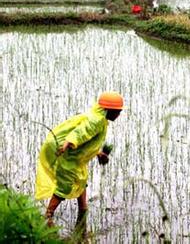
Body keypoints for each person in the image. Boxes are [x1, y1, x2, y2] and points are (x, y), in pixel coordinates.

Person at [35, 91, 125, 228]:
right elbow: (81, 132)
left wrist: (98, 153)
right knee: (65, 185)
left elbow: (87, 141)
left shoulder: (98, 118)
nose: (119, 115)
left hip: (71, 152)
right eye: (118, 111)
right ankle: (48, 215)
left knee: (81, 179)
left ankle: (83, 210)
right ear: (109, 110)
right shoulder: (97, 120)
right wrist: (68, 143)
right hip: (65, 152)